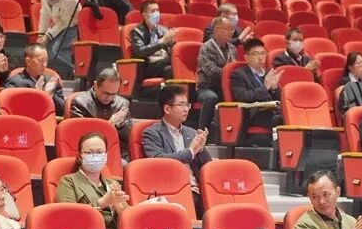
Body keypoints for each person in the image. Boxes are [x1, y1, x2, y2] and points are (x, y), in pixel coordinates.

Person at [56, 133, 128, 229]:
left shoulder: (112, 184)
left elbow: (129, 220)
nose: (95, 156)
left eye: (100, 152)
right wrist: (103, 202)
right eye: (89, 152)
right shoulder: (69, 181)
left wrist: (119, 207)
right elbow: (68, 217)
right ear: (79, 156)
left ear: (106, 154)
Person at [142, 84, 212, 217]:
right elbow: (158, 161)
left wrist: (201, 149)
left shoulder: (192, 133)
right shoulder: (152, 133)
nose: (186, 109)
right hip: (171, 189)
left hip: (197, 189)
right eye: (181, 105)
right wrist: (190, 151)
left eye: (187, 104)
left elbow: (207, 165)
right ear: (167, 109)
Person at [69, 68, 133, 160]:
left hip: (116, 153)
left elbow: (128, 138)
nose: (109, 98)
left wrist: (121, 125)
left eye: (114, 94)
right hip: (90, 154)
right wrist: (110, 124)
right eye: (105, 93)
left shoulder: (122, 104)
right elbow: (80, 137)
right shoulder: (80, 102)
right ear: (95, 86)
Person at [228, 37, 283, 144]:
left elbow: (279, 98)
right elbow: (243, 97)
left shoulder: (268, 73)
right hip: (254, 114)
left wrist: (274, 88)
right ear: (246, 57)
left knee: (292, 115)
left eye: (263, 53)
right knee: (284, 119)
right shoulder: (238, 74)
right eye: (256, 54)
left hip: (273, 112)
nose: (261, 57)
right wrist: (265, 87)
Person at [197, 16, 237, 135]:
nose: (231, 32)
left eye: (232, 29)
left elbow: (235, 68)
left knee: (242, 94)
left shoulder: (232, 48)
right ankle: (202, 133)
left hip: (226, 87)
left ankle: (233, 134)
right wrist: (229, 75)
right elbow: (211, 72)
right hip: (207, 87)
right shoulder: (206, 47)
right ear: (216, 30)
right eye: (227, 29)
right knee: (211, 98)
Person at [5, 43, 65, 116]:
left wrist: (51, 95)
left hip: (47, 120)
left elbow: (63, 110)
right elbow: (12, 109)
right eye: (40, 60)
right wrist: (37, 95)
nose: (44, 64)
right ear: (28, 61)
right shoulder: (15, 82)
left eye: (46, 60)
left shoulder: (51, 81)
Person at [37, 0, 79, 79]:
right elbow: (45, 13)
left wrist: (47, 36)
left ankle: (77, 70)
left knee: (58, 48)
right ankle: (48, 74)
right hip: (58, 24)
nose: (51, 1)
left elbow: (64, 22)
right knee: (47, 48)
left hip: (73, 24)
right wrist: (41, 34)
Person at [129, 0, 175, 79]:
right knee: (174, 59)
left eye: (157, 10)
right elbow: (140, 52)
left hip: (164, 63)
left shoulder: (164, 30)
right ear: (144, 15)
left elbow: (173, 49)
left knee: (171, 69)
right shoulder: (136, 31)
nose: (157, 13)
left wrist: (172, 42)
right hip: (149, 66)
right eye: (153, 11)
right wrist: (161, 41)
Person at [337, 52, 362, 118]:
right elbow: (343, 107)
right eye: (359, 63)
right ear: (350, 67)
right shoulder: (343, 82)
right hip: (352, 116)